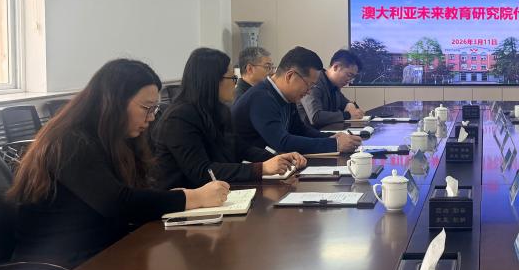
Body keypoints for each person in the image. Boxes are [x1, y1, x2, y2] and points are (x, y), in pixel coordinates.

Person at [8, 59, 229, 270]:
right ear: (113, 102)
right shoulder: (69, 141)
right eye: (146, 108)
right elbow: (117, 202)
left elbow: (131, 195)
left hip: (98, 253)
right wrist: (192, 198)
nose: (152, 118)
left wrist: (172, 198)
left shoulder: (115, 138)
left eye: (154, 109)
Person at [151, 48, 306, 189]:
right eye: (232, 78)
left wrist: (279, 158)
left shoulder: (219, 110)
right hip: (187, 202)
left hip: (220, 193)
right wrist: (261, 168)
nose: (235, 84)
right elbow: (202, 172)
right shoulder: (179, 118)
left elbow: (239, 148)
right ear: (213, 80)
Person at [231, 46, 361, 157]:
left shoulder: (286, 95)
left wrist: (331, 137)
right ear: (290, 76)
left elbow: (300, 130)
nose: (309, 91)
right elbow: (282, 142)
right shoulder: (261, 97)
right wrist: (334, 144)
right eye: (309, 85)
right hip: (247, 169)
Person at [299, 48, 364, 129]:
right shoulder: (315, 81)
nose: (349, 80)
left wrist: (350, 104)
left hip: (328, 131)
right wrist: (348, 115)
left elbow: (345, 102)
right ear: (336, 67)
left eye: (352, 77)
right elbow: (315, 117)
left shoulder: (334, 86)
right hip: (310, 133)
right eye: (349, 75)